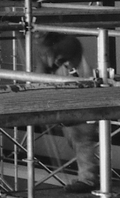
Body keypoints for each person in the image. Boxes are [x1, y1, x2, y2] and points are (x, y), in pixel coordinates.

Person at [37, 31, 99, 187]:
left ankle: (88, 180)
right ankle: (89, 177)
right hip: (68, 98)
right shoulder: (54, 47)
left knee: (82, 139)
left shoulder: (69, 43)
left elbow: (44, 67)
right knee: (77, 140)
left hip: (82, 97)